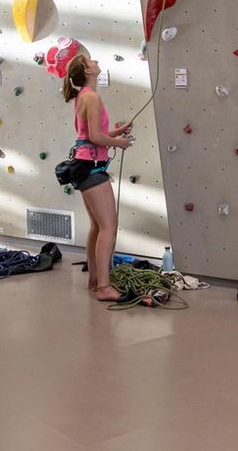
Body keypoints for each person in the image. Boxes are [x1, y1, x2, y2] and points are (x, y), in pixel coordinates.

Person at [62, 52, 134, 302]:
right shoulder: (91, 97)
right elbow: (95, 137)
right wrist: (119, 143)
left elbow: (90, 134)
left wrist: (116, 132)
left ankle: (95, 278)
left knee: (96, 226)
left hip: (84, 164)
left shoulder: (84, 96)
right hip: (91, 166)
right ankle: (104, 287)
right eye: (92, 62)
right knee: (108, 226)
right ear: (88, 72)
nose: (97, 62)